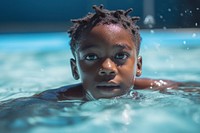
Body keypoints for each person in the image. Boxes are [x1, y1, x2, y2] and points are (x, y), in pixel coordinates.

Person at [33, 5, 179, 101]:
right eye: (91, 56)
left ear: (138, 66)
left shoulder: (162, 88)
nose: (107, 68)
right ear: (75, 68)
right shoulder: (54, 99)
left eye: (120, 56)